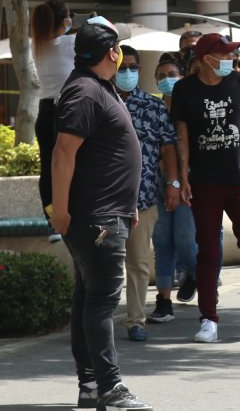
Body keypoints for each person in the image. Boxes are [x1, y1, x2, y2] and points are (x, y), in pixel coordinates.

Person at [51, 21, 152, 411]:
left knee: (88, 299)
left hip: (110, 213)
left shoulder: (97, 87)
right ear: (113, 53)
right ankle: (110, 387)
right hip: (97, 218)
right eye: (120, 52)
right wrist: (60, 210)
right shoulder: (85, 91)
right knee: (101, 303)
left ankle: (91, 385)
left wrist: (128, 209)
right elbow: (63, 154)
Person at [170, 32, 240, 344]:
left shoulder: (238, 83)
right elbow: (182, 136)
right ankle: (209, 318)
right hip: (204, 181)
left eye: (230, 54)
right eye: (224, 54)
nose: (229, 59)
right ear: (206, 59)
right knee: (209, 252)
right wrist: (183, 177)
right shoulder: (185, 90)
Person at [113, 45, 178, 344]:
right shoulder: (101, 102)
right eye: (122, 67)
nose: (128, 72)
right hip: (106, 200)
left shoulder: (152, 107)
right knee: (103, 265)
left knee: (138, 263)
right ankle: (95, 320)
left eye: (134, 67)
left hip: (144, 197)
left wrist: (173, 183)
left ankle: (136, 320)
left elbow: (168, 147)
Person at [149, 55, 200, 318]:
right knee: (162, 242)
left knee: (185, 242)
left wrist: (179, 180)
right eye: (161, 75)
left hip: (186, 181)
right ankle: (163, 300)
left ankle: (197, 274)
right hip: (156, 182)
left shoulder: (191, 107)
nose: (167, 79)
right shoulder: (154, 109)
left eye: (172, 73)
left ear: (181, 76)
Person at [31, 0, 75, 217]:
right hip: (64, 110)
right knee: (70, 163)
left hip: (45, 111)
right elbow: (114, 31)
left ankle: (52, 218)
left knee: (48, 167)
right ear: (64, 19)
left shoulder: (36, 45)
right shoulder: (68, 44)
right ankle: (69, 212)